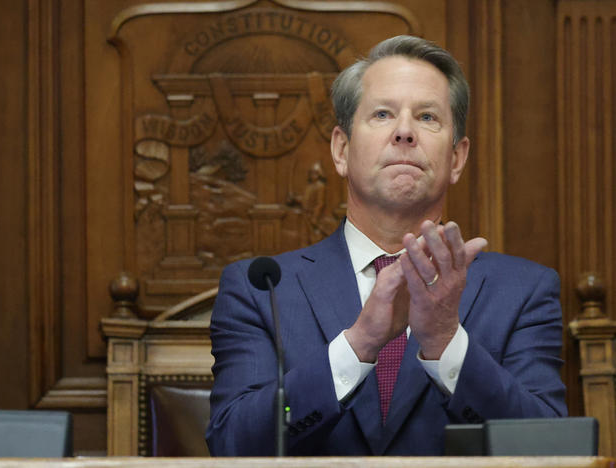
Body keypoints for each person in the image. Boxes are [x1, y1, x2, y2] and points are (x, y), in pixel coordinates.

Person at [206, 35, 566, 456]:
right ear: (341, 150)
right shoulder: (261, 289)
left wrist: (447, 343)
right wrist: (358, 344)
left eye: (428, 117)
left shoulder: (524, 292)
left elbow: (551, 450)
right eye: (382, 114)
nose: (405, 132)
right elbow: (234, 443)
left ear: (457, 158)